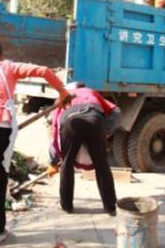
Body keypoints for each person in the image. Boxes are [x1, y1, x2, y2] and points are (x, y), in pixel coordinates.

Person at [0, 36, 70, 247]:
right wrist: (63, 92)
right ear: (1, 54)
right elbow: (45, 71)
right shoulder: (8, 68)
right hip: (2, 129)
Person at [49, 82, 120, 216]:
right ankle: (110, 206)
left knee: (67, 163)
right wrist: (106, 129)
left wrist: (53, 159)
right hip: (94, 118)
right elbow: (116, 111)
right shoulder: (91, 91)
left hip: (71, 122)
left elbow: (54, 126)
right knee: (102, 164)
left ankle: (66, 205)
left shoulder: (64, 95)